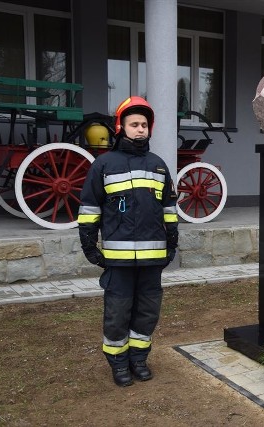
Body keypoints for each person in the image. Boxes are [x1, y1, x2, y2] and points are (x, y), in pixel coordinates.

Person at [77, 96, 179, 387]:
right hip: (117, 262)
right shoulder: (104, 165)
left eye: (144, 125)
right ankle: (119, 364)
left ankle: (139, 359)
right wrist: (89, 246)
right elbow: (89, 209)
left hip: (152, 260)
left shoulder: (158, 165)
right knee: (118, 313)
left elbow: (169, 209)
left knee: (147, 312)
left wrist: (172, 242)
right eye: (134, 124)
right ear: (121, 127)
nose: (140, 130)